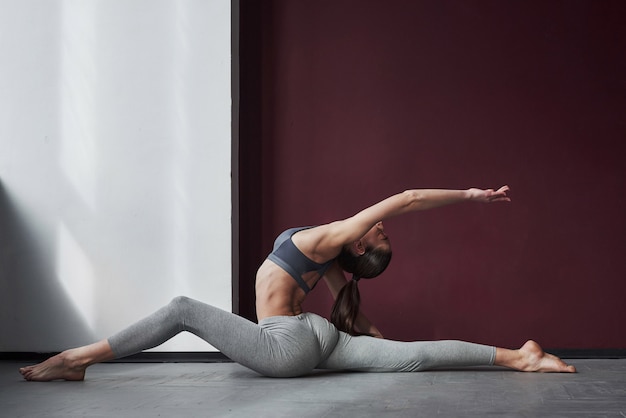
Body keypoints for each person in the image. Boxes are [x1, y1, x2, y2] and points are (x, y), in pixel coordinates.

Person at [19, 186, 576, 381]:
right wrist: (376, 343)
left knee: (183, 307)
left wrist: (471, 197)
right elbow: (349, 312)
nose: (378, 226)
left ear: (361, 244)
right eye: (381, 232)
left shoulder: (334, 237)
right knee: (412, 357)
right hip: (316, 341)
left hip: (286, 346)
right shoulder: (331, 257)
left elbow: (405, 199)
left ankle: (78, 359)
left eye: (377, 234)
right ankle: (518, 358)